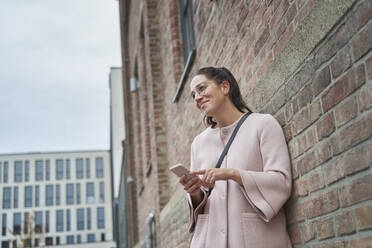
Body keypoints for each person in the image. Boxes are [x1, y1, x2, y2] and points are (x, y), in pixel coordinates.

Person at [179, 67, 292, 248]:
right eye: (193, 95)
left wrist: (232, 174)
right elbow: (201, 205)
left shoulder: (263, 125)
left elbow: (281, 181)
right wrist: (194, 193)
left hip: (256, 240)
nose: (197, 98)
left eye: (201, 89)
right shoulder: (198, 143)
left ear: (225, 87)